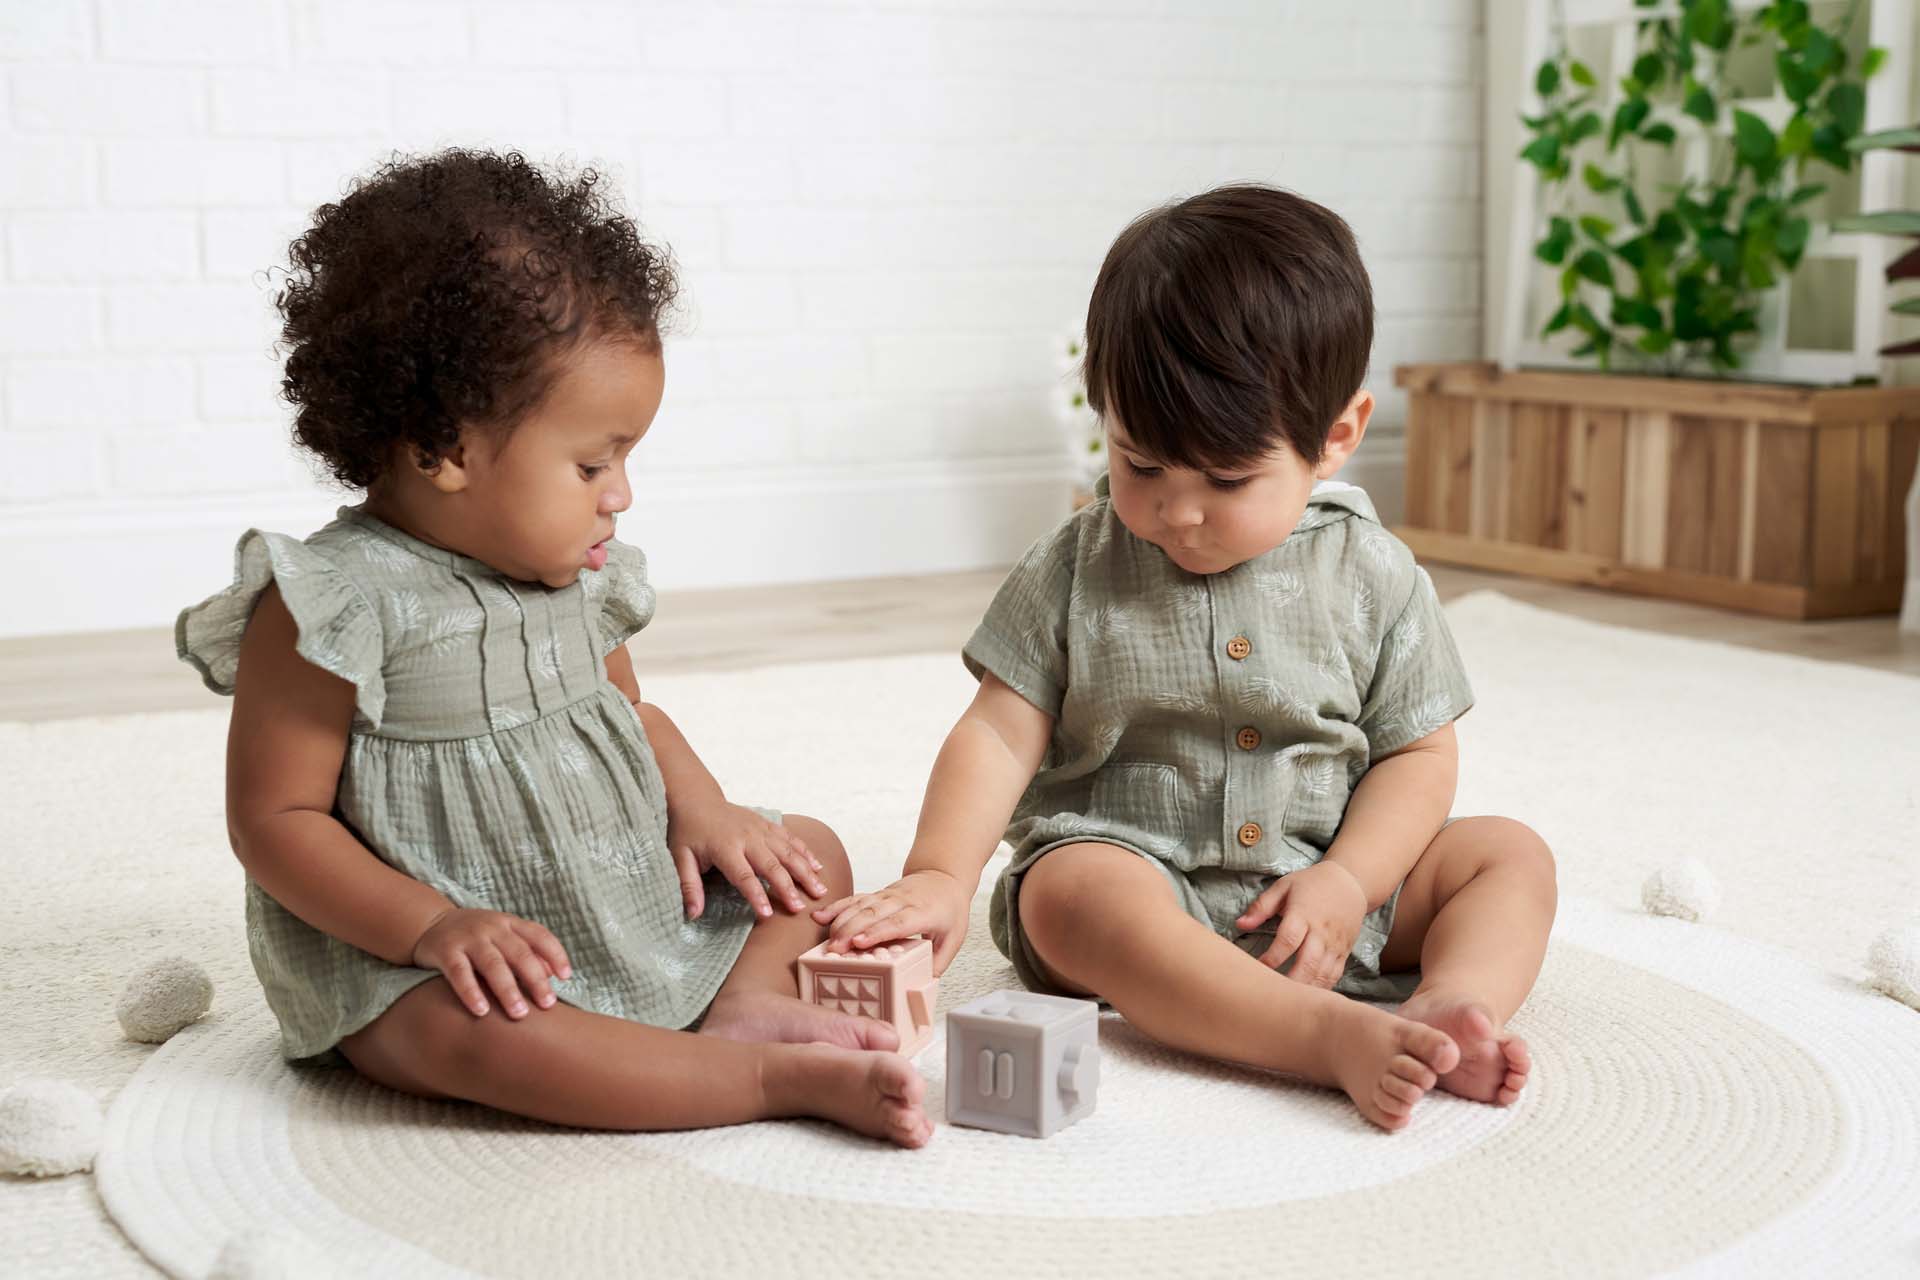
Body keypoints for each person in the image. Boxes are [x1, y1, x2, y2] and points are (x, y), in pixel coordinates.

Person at [178, 149, 931, 1147]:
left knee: (807, 852)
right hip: (446, 951)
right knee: (464, 1035)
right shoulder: (332, 601)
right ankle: (752, 1076)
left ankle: (739, 1002)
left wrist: (706, 811)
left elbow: (631, 715)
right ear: (443, 446)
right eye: (592, 461)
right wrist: (432, 928)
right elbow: (275, 821)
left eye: (625, 457)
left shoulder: (580, 565)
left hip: (612, 889)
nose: (619, 492)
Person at [815, 185, 1556, 1131]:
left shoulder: (1374, 573)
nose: (1179, 511)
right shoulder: (1078, 566)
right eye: (1141, 466)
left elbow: (1419, 756)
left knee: (1509, 858)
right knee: (1065, 893)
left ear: (1336, 437)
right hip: (1142, 881)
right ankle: (1318, 1037)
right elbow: (1000, 732)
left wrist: (1349, 881)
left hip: (1325, 890)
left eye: (1228, 479)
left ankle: (1453, 1008)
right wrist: (939, 875)